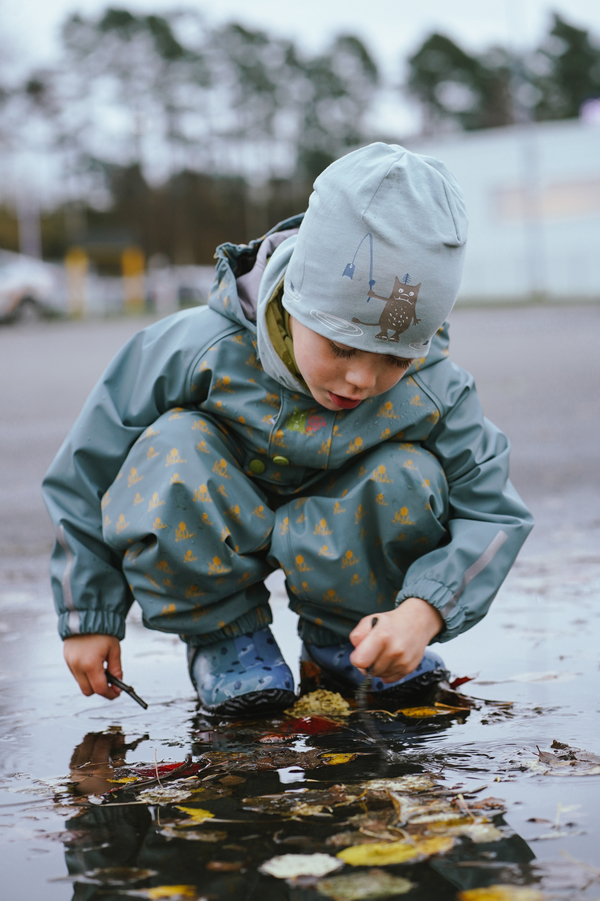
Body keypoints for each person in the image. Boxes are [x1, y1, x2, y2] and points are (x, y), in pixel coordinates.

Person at [42, 143, 533, 716]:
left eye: (395, 359)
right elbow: (88, 473)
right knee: (171, 447)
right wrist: (88, 615)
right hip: (215, 521)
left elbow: (494, 513)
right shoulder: (193, 348)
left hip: (352, 567)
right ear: (295, 297)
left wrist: (424, 611)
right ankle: (227, 641)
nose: (362, 378)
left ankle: (346, 642)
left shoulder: (434, 387)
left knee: (409, 473)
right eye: (341, 346)